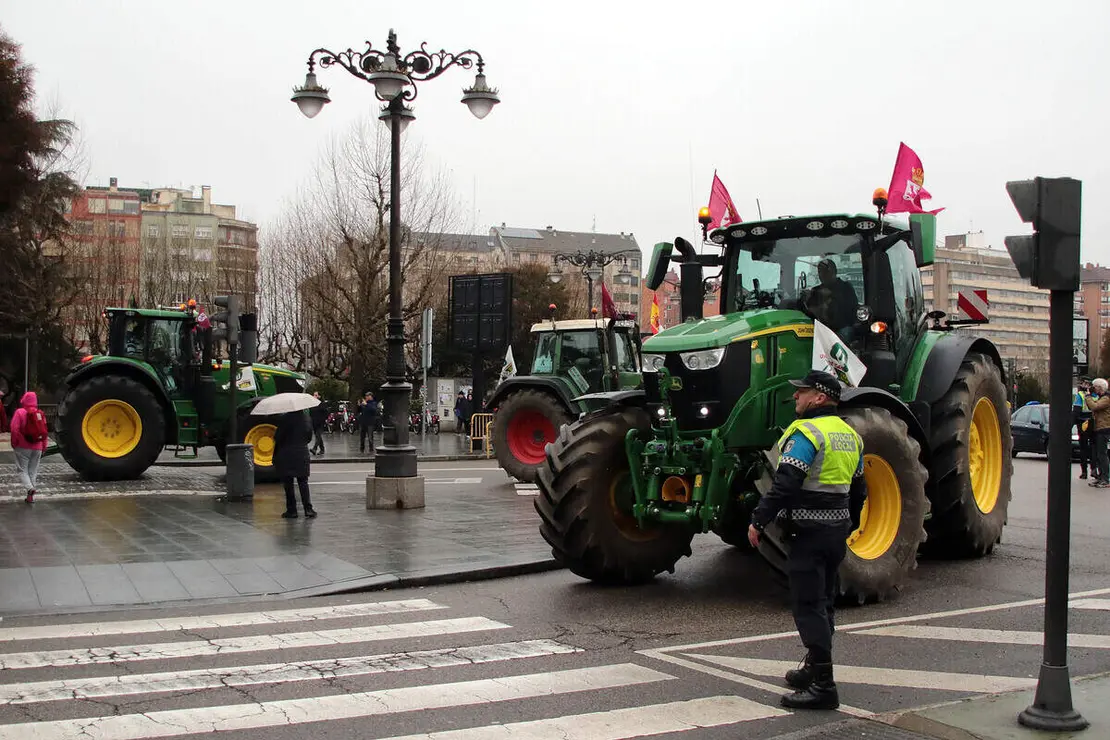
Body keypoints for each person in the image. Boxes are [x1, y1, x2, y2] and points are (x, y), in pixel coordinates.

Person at [747, 370, 866, 710]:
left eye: (801, 392)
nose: (795, 397)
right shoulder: (850, 435)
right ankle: (815, 669)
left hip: (807, 533)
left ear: (819, 397)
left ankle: (825, 686)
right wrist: (848, 524)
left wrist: (759, 520)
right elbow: (859, 490)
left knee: (808, 606)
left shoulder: (805, 433)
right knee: (824, 602)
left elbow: (785, 484)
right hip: (834, 533)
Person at [273, 409, 316, 518]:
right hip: (302, 452)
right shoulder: (307, 418)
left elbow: (278, 437)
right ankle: (308, 509)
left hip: (286, 453)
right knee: (303, 482)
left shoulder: (284, 418)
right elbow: (309, 437)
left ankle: (292, 510)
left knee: (288, 483)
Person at [10, 391, 49, 504]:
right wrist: (44, 446)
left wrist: (14, 442)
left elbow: (14, 429)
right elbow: (44, 431)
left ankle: (29, 488)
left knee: (22, 470)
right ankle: (30, 497)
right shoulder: (40, 413)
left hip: (22, 447)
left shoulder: (20, 412)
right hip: (37, 447)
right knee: (32, 471)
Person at [805, 259, 859, 339]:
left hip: (841, 328)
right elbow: (810, 311)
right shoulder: (815, 291)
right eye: (820, 272)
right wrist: (806, 299)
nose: (822, 275)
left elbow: (852, 310)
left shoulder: (846, 288)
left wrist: (831, 296)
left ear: (834, 272)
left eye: (826, 272)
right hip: (819, 329)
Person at [1086, 378, 1110, 488]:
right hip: (1098, 428)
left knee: (1102, 454)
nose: (1093, 389)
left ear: (1100, 388)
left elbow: (1094, 406)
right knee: (1098, 454)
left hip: (1104, 429)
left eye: (1095, 387)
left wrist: (1088, 396)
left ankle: (1105, 478)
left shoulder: (1107, 398)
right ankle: (1101, 477)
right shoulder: (1102, 398)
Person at [1074, 379, 1094, 479]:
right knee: (1094, 447)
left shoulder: (1080, 395)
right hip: (1095, 423)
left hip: (1083, 424)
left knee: (1083, 448)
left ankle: (1084, 472)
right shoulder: (1097, 395)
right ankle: (1094, 469)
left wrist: (1071, 424)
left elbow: (1076, 411)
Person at [309, 392, 327, 456]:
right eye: (314, 395)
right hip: (314, 423)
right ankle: (322, 450)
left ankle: (315, 448)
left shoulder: (322, 404)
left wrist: (323, 420)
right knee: (318, 436)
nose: (314, 396)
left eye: (316, 395)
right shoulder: (312, 404)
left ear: (319, 396)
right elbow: (311, 413)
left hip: (320, 423)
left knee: (318, 435)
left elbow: (326, 413)